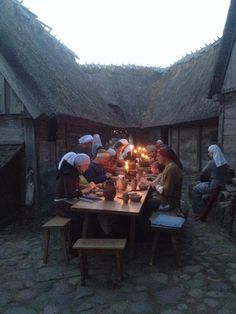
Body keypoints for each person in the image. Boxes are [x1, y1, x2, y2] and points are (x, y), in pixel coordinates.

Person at [54, 153, 96, 247]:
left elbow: (74, 186)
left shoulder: (73, 172)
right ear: (78, 165)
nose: (87, 168)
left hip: (67, 202)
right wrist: (84, 191)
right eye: (86, 166)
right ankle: (74, 246)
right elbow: (69, 194)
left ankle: (87, 240)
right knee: (81, 216)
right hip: (62, 205)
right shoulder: (67, 174)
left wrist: (87, 187)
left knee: (89, 211)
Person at [192, 144, 228, 218]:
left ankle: (199, 211)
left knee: (195, 189)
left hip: (213, 186)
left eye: (209, 152)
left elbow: (203, 172)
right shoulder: (224, 162)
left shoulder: (212, 162)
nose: (208, 154)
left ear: (213, 153)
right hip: (222, 184)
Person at [145, 146, 183, 214]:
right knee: (146, 197)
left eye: (159, 156)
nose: (157, 158)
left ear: (165, 157)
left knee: (143, 205)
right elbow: (162, 175)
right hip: (163, 199)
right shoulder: (169, 166)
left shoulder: (171, 169)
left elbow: (166, 192)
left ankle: (144, 223)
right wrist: (156, 180)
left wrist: (155, 185)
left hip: (167, 202)